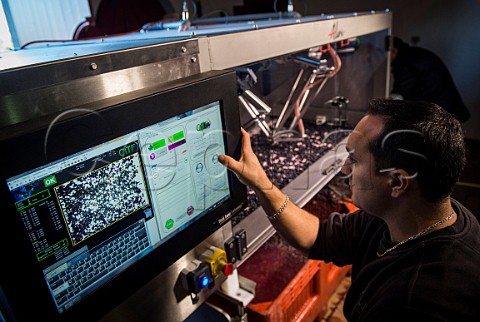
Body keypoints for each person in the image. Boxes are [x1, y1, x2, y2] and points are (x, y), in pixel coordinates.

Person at [218, 99, 480, 321]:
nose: (344, 169)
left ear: (398, 182)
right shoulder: (413, 215)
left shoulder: (418, 300)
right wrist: (261, 184)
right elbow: (318, 237)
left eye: (354, 160)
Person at [390, 37, 471, 123]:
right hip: (447, 106)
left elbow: (400, 94)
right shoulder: (413, 53)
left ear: (394, 50)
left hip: (442, 110)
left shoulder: (405, 63)